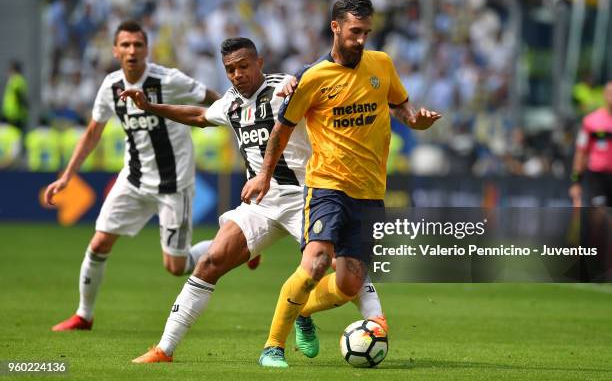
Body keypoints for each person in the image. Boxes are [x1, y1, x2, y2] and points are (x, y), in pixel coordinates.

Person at [124, 37, 386, 364]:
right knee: (210, 262)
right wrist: (151, 107)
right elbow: (200, 115)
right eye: (230, 69)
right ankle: (164, 349)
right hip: (260, 204)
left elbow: (322, 78)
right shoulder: (231, 102)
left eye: (243, 66)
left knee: (337, 265)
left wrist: (299, 81)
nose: (237, 74)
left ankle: (338, 315)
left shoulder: (285, 89)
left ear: (259, 63)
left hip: (309, 197)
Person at [241, 0, 441, 367]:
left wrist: (416, 120)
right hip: (327, 186)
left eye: (366, 31)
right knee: (316, 263)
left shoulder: (381, 64)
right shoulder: (313, 77)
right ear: (335, 27)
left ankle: (303, 310)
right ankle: (273, 347)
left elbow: (398, 103)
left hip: (370, 193)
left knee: (349, 284)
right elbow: (281, 132)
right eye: (354, 32)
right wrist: (264, 175)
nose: (361, 39)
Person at [44, 20, 221, 331]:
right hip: (134, 179)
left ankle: (232, 245)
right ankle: (84, 315)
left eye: (138, 44)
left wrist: (241, 117)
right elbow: (92, 132)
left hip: (173, 183)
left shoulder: (168, 79)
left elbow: (211, 97)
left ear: (146, 49)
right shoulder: (110, 86)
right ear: (115, 51)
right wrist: (67, 176)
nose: (132, 50)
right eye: (125, 45)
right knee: (99, 243)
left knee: (175, 267)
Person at [569, 81, 612, 208]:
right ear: (604, 95)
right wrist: (576, 182)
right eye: (610, 93)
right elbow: (580, 152)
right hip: (597, 176)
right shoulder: (590, 121)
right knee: (599, 215)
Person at [2, 60, 28, 132]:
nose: (8, 71)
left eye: (10, 69)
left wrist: (21, 112)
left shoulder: (17, 80)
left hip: (15, 115)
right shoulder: (14, 80)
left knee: (15, 134)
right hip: (11, 113)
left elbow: (20, 96)